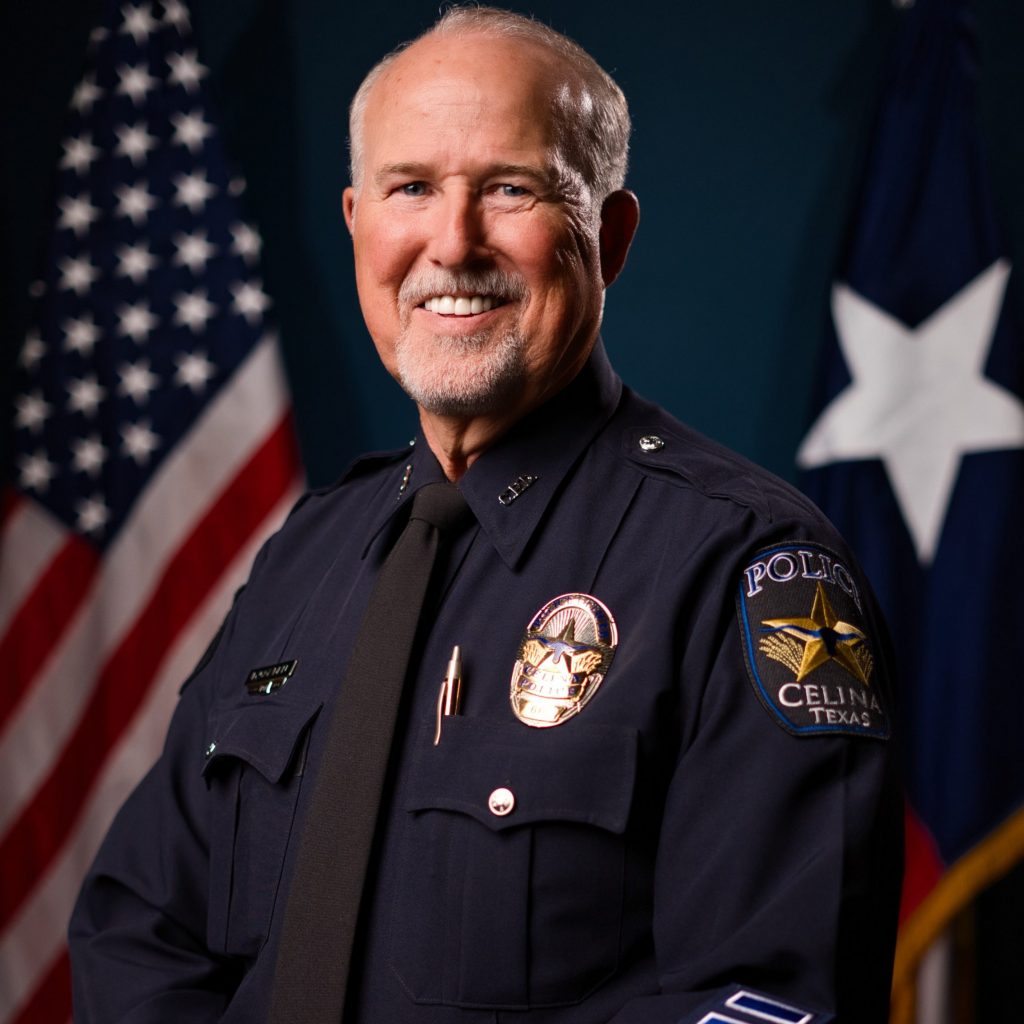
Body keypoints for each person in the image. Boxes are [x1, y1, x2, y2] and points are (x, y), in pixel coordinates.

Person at [69, 7, 902, 1023]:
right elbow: (139, 931)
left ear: (611, 235)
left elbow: (774, 999)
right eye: (410, 187)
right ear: (356, 222)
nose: (451, 243)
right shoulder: (307, 556)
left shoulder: (746, 567)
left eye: (511, 189)